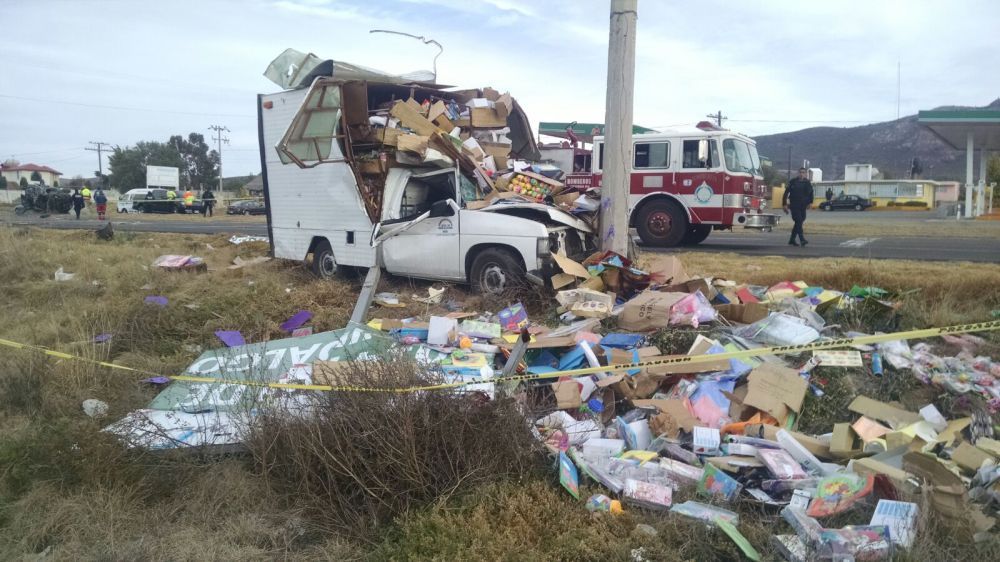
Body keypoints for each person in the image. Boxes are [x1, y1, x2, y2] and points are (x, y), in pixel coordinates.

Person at [782, 167, 814, 247]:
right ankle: (802, 239)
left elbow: (811, 193)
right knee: (799, 221)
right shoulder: (793, 181)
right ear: (798, 173)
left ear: (805, 174)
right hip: (794, 205)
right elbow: (786, 193)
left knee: (800, 221)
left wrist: (810, 202)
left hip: (803, 205)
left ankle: (792, 240)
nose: (801, 174)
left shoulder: (807, 182)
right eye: (800, 172)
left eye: (803, 172)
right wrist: (784, 204)